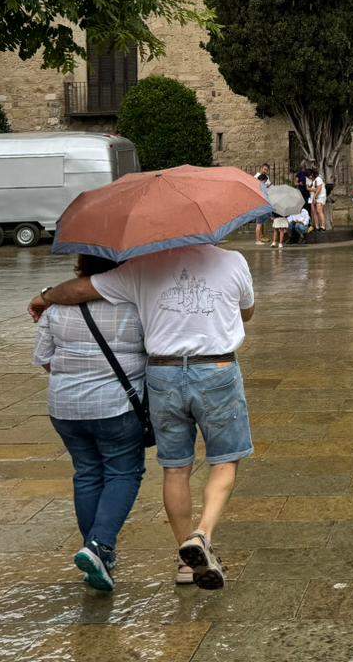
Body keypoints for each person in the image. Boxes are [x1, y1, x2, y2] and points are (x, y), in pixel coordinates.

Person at [30, 241, 256, 591]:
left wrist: (46, 295)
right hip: (216, 368)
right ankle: (202, 535)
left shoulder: (142, 268)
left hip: (162, 373)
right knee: (225, 460)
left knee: (176, 467)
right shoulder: (233, 260)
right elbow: (247, 311)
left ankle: (185, 563)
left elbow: (79, 289)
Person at [32, 256, 147, 593]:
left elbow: (44, 359)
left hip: (65, 408)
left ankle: (96, 552)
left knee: (87, 474)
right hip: (116, 407)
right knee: (123, 473)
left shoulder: (54, 310)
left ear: (80, 269)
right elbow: (153, 349)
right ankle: (99, 546)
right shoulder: (133, 306)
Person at [253, 164, 272, 245]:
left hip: (264, 202)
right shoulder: (257, 176)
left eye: (267, 170)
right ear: (261, 168)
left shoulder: (267, 178)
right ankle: (258, 238)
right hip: (259, 202)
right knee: (259, 222)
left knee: (262, 221)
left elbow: (268, 188)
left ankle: (261, 236)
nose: (265, 171)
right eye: (264, 169)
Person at [308, 167, 328, 232]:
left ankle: (323, 226)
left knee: (319, 211)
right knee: (314, 212)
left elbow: (319, 189)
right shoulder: (312, 180)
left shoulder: (318, 179)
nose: (310, 176)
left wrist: (315, 197)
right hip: (313, 196)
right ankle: (317, 226)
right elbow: (309, 188)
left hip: (320, 197)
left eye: (311, 174)